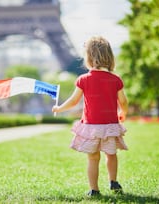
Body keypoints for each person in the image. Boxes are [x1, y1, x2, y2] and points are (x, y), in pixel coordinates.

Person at [52, 36, 128, 197]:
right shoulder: (116, 79)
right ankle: (113, 182)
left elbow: (73, 101)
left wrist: (59, 108)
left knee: (93, 158)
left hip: (91, 126)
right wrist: (124, 113)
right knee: (111, 154)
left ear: (88, 58)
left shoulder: (83, 79)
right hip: (110, 126)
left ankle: (94, 190)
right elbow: (123, 100)